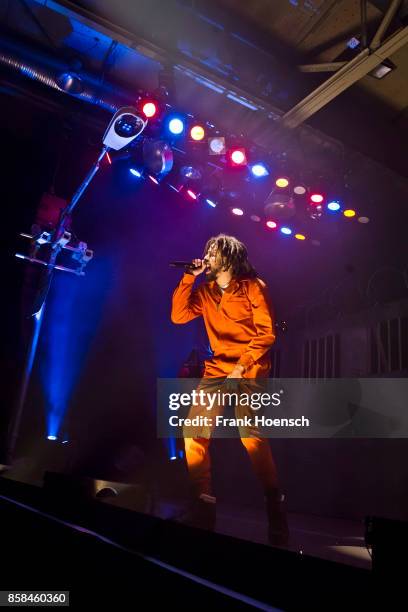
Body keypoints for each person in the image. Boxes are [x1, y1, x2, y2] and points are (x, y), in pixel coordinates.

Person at [171, 234, 289, 546]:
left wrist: (241, 367)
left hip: (249, 367)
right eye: (206, 250)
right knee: (192, 432)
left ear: (229, 259)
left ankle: (274, 504)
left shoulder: (253, 287)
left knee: (249, 434)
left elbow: (266, 335)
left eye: (212, 252)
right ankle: (203, 506)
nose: (206, 256)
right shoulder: (206, 290)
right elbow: (178, 315)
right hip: (218, 368)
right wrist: (187, 278)